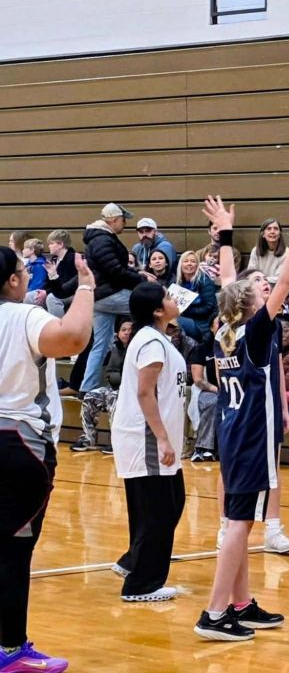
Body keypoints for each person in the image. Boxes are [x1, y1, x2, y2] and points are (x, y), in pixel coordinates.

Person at [194, 194, 289, 641]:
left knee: (238, 520)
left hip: (232, 432)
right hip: (250, 436)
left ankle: (241, 603)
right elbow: (286, 281)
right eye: (259, 288)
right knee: (240, 523)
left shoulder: (226, 330)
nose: (267, 288)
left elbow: (230, 280)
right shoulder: (256, 329)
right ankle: (213, 613)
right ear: (250, 304)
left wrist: (227, 234)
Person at [0, 246, 94, 673]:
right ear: (13, 280)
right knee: (14, 551)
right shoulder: (23, 315)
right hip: (18, 442)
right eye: (24, 271)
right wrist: (87, 287)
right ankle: (11, 649)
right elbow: (72, 337)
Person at [110, 284, 187, 602]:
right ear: (157, 310)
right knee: (158, 511)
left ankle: (133, 562)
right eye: (167, 297)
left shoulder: (156, 338)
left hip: (154, 439)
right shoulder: (152, 342)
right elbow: (144, 393)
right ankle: (141, 585)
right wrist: (162, 439)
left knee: (168, 504)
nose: (173, 299)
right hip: (147, 438)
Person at [80, 202, 148, 395]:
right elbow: (115, 271)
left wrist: (138, 274)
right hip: (110, 294)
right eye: (124, 220)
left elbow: (114, 269)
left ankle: (87, 388)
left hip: (98, 297)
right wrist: (141, 280)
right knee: (151, 307)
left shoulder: (97, 239)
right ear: (115, 219)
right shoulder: (103, 240)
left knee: (100, 345)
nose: (125, 224)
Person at [70, 316, 132, 453]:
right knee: (91, 396)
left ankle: (117, 441)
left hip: (133, 392)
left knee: (113, 397)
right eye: (123, 330)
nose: (127, 332)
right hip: (116, 387)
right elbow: (110, 372)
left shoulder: (138, 349)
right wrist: (116, 384)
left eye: (130, 330)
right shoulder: (115, 348)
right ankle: (88, 437)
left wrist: (122, 385)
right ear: (118, 333)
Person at [189, 318, 220, 463]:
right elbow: (198, 379)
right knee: (214, 402)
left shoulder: (236, 346)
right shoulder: (202, 349)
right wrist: (217, 390)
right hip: (206, 390)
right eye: (219, 323)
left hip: (233, 389)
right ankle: (202, 448)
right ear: (211, 328)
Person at [175, 250, 218, 341]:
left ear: (197, 265)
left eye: (193, 261)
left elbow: (208, 308)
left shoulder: (205, 282)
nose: (189, 264)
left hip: (201, 324)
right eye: (186, 261)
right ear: (180, 265)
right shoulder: (177, 283)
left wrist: (185, 311)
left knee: (176, 321)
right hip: (186, 318)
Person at [43, 230, 77, 318]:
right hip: (58, 290)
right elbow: (48, 282)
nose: (48, 246)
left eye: (51, 243)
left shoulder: (72, 258)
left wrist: (47, 292)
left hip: (72, 293)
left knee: (52, 298)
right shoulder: (54, 259)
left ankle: (58, 325)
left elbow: (68, 285)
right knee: (31, 296)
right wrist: (43, 291)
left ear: (60, 244)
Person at [247, 218, 286, 284]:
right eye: (269, 229)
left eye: (276, 229)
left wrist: (260, 279)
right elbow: (251, 274)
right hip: (258, 287)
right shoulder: (255, 251)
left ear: (280, 234)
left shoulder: (287, 253)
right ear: (263, 234)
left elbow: (279, 279)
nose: (272, 231)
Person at [21, 239, 48, 305]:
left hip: (36, 294)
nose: (22, 251)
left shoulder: (40, 266)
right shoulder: (28, 265)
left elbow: (37, 284)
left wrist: (23, 293)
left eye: (25, 248)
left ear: (32, 250)